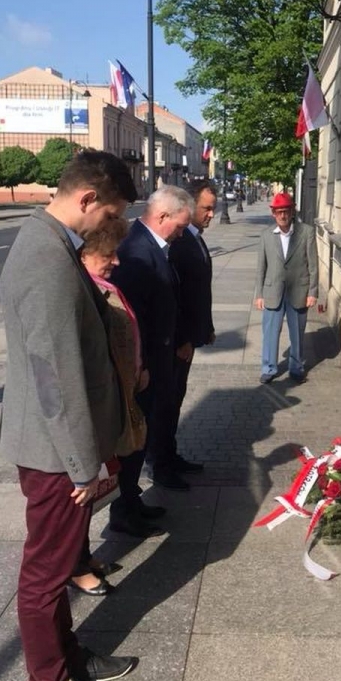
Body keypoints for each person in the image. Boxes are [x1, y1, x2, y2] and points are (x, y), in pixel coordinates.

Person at [0, 150, 138, 681]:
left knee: (57, 568)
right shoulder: (46, 257)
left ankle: (67, 656)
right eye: (110, 212)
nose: (110, 224)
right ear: (87, 198)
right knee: (45, 573)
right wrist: (83, 464)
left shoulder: (52, 242)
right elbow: (54, 374)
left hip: (62, 446)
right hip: (55, 451)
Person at [69, 216, 159, 597]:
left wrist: (138, 368)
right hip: (91, 408)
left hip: (115, 396)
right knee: (78, 493)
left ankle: (83, 555)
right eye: (109, 254)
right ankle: (74, 566)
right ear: (86, 255)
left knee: (95, 488)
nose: (117, 261)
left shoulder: (102, 286)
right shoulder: (84, 292)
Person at [110, 185, 194, 498]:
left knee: (146, 433)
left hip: (158, 360)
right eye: (180, 227)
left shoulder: (153, 246)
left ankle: (131, 503)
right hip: (144, 367)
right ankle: (126, 506)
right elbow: (132, 319)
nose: (181, 235)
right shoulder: (137, 251)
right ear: (162, 216)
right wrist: (141, 365)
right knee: (136, 439)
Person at [168, 179, 217, 469]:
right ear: (189, 206)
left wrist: (206, 327)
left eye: (214, 208)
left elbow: (200, 290)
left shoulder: (194, 236)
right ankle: (162, 461)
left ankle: (170, 454)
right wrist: (184, 338)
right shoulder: (181, 240)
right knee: (170, 398)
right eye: (206, 208)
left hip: (190, 337)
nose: (211, 214)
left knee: (177, 395)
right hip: (178, 342)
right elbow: (178, 295)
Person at [254, 192, 318, 384]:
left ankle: (296, 367)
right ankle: (269, 368)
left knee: (297, 333)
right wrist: (259, 294)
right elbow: (261, 267)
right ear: (273, 213)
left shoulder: (306, 232)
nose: (282, 215)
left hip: (298, 290)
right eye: (279, 212)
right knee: (270, 332)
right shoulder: (266, 236)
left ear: (292, 211)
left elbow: (313, 265)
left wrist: (313, 292)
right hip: (273, 291)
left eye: (286, 211)